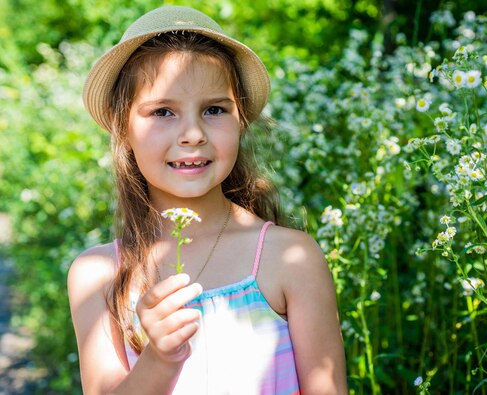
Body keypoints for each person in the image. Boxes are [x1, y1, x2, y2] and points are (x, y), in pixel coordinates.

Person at [68, 5, 347, 394]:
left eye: (214, 109)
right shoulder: (98, 274)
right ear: (123, 128)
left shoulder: (290, 258)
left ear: (240, 121)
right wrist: (160, 359)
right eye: (163, 111)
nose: (193, 134)